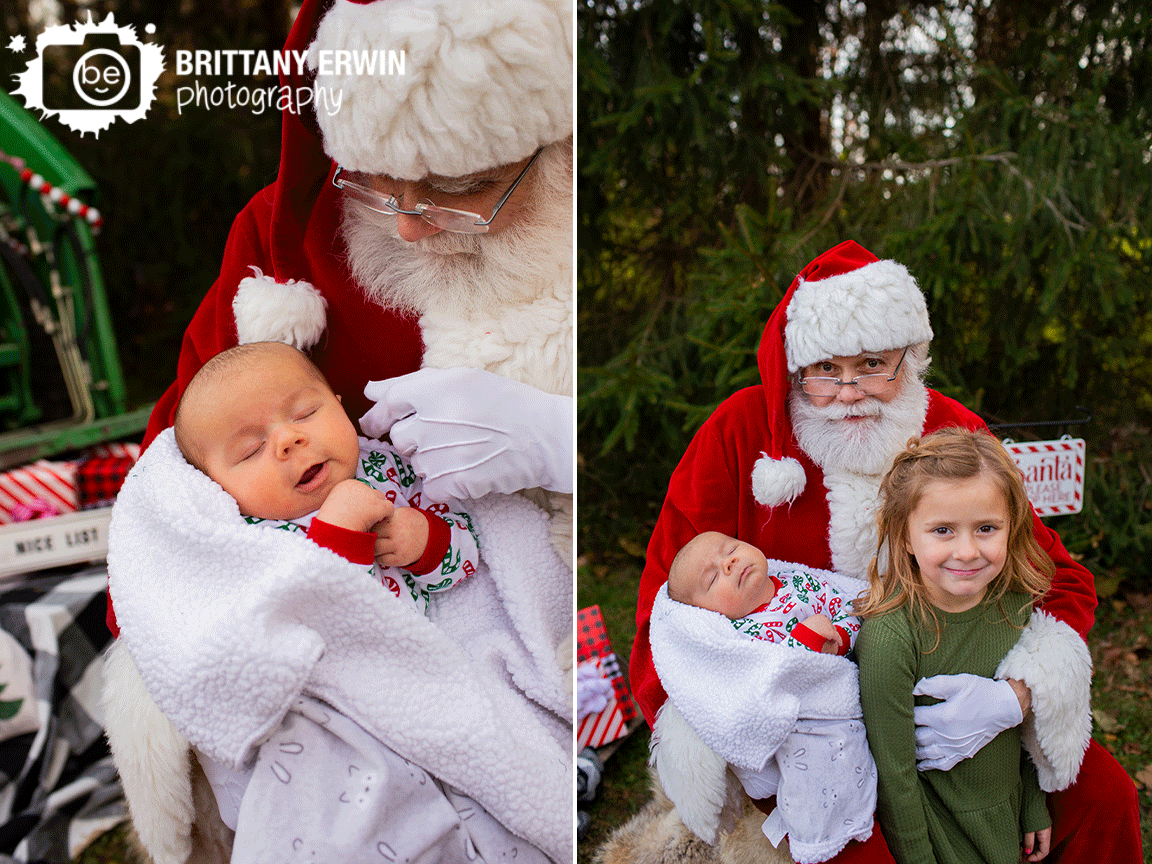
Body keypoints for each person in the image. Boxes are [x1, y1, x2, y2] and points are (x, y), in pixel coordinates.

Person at [103, 0, 574, 861]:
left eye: (460, 188)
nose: (405, 223)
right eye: (375, 181)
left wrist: (557, 439)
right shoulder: (285, 231)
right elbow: (185, 455)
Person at [622, 240, 1140, 864]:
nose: (849, 393)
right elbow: (667, 604)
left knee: (1106, 797)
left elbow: (1057, 579)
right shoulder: (740, 433)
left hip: (947, 695)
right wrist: (721, 724)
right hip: (806, 728)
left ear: (910, 356)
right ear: (793, 368)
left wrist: (1014, 696)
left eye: (872, 364)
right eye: (824, 370)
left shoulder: (952, 432)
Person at [855, 428, 1058, 864]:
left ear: (1011, 527)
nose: (966, 551)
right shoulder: (890, 637)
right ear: (906, 537)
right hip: (938, 826)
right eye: (942, 530)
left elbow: (1027, 729)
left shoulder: (1017, 605)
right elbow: (894, 774)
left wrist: (1033, 802)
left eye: (986, 528)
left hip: (1005, 814)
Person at [172, 341, 480, 615]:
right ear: (214, 486)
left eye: (305, 413)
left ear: (339, 405)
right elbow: (291, 626)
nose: (288, 439)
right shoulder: (246, 540)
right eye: (251, 449)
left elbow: (469, 557)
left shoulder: (385, 467)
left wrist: (426, 541)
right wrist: (338, 536)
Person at [651, 531, 875, 863]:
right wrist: (804, 642)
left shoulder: (800, 582)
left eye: (731, 549)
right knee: (813, 770)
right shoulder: (739, 635)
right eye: (712, 578)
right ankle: (816, 836)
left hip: (849, 681)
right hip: (800, 719)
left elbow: (849, 608)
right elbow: (758, 681)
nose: (728, 563)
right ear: (706, 613)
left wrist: (840, 637)